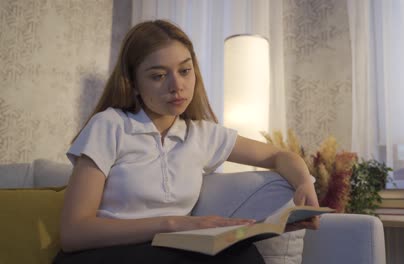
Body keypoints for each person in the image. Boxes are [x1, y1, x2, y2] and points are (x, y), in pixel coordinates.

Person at [54, 19, 319, 264]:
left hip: (169, 249)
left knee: (242, 253)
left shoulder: (201, 135)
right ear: (133, 83)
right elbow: (74, 232)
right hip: (103, 254)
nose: (177, 85)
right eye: (158, 75)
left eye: (185, 70)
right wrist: (173, 224)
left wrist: (304, 183)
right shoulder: (109, 125)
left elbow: (279, 156)